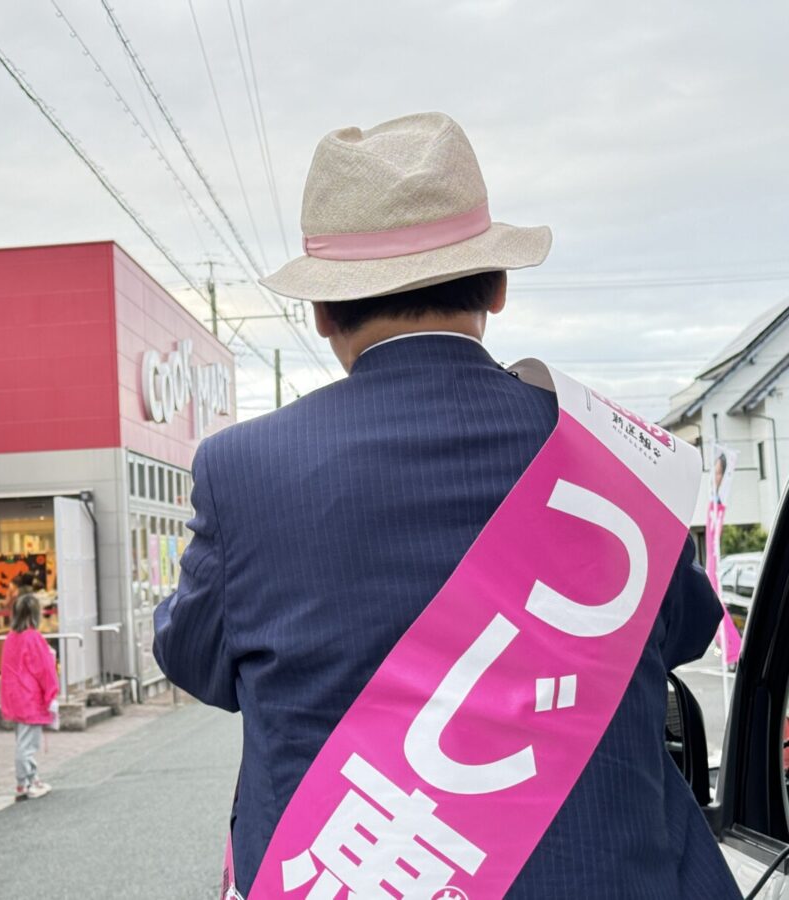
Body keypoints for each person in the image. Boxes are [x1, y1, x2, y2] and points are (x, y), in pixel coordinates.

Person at [154, 113, 738, 898]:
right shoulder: (609, 455)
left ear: (323, 312)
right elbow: (688, 630)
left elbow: (196, 660)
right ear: (498, 286)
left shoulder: (243, 469)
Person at [0, 592, 58, 801]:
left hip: (14, 697)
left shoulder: (10, 638)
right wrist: (51, 694)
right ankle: (24, 782)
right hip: (30, 697)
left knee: (22, 741)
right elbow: (45, 669)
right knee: (27, 745)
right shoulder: (33, 638)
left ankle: (31, 778)